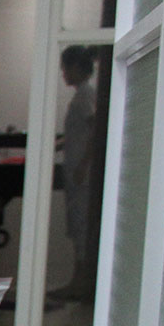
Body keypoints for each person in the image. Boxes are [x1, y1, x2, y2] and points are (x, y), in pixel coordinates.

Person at [50, 45, 100, 306]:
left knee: (81, 226)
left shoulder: (86, 96)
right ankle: (76, 281)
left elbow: (94, 130)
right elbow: (78, 134)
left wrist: (83, 164)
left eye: (65, 68)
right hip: (75, 171)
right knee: (75, 224)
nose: (63, 74)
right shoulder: (81, 96)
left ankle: (79, 283)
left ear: (77, 68)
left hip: (83, 175)